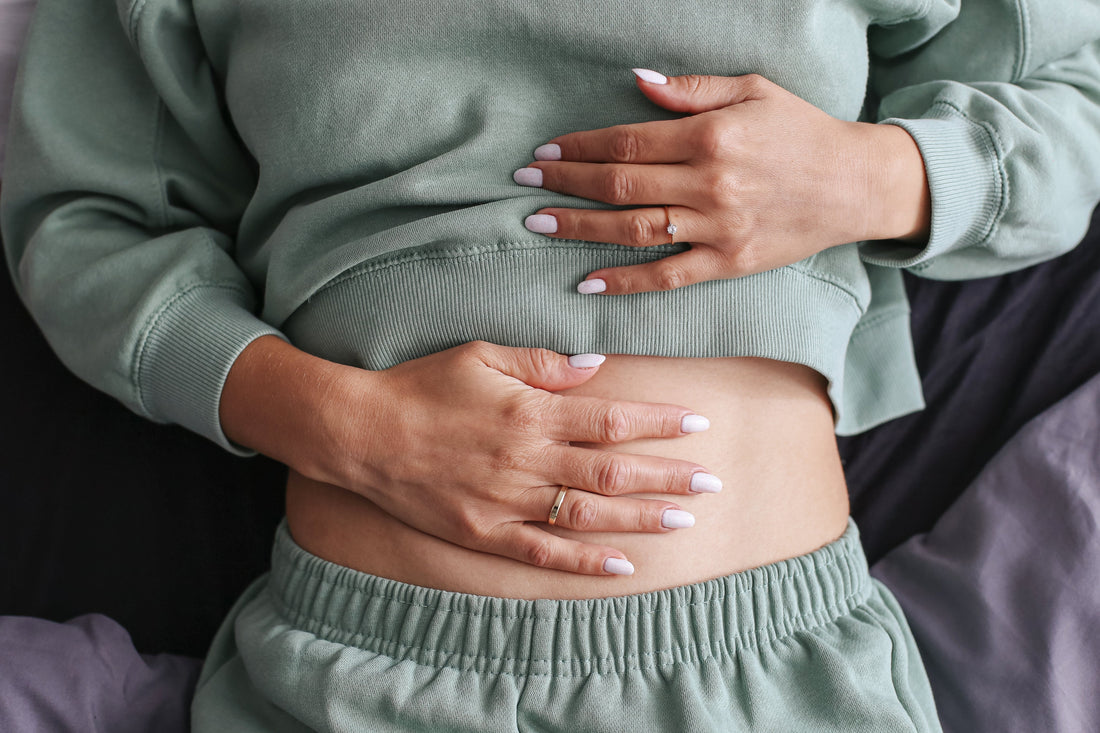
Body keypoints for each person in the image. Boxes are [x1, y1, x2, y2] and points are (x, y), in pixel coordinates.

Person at [3, 0, 1099, 730]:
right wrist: (337, 423)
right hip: (353, 681)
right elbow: (89, 221)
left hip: (770, 678)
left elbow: (1071, 96)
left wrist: (872, 176)